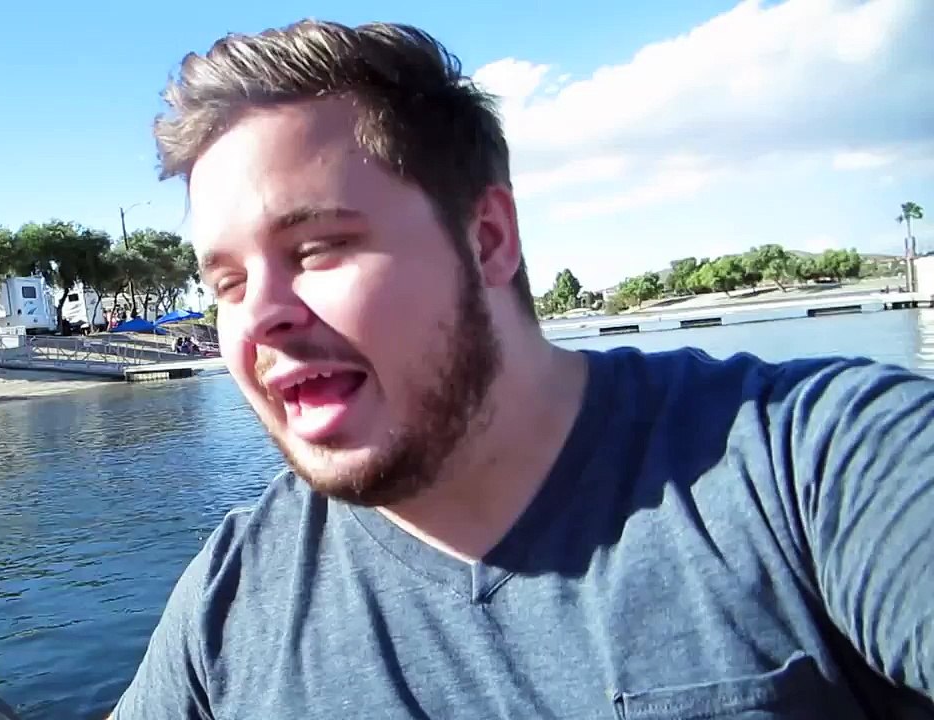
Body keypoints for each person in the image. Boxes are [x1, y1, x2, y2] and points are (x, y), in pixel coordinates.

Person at [110, 19, 934, 719]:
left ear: (489, 239)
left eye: (317, 247)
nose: (259, 314)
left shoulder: (813, 464)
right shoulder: (228, 605)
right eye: (227, 283)